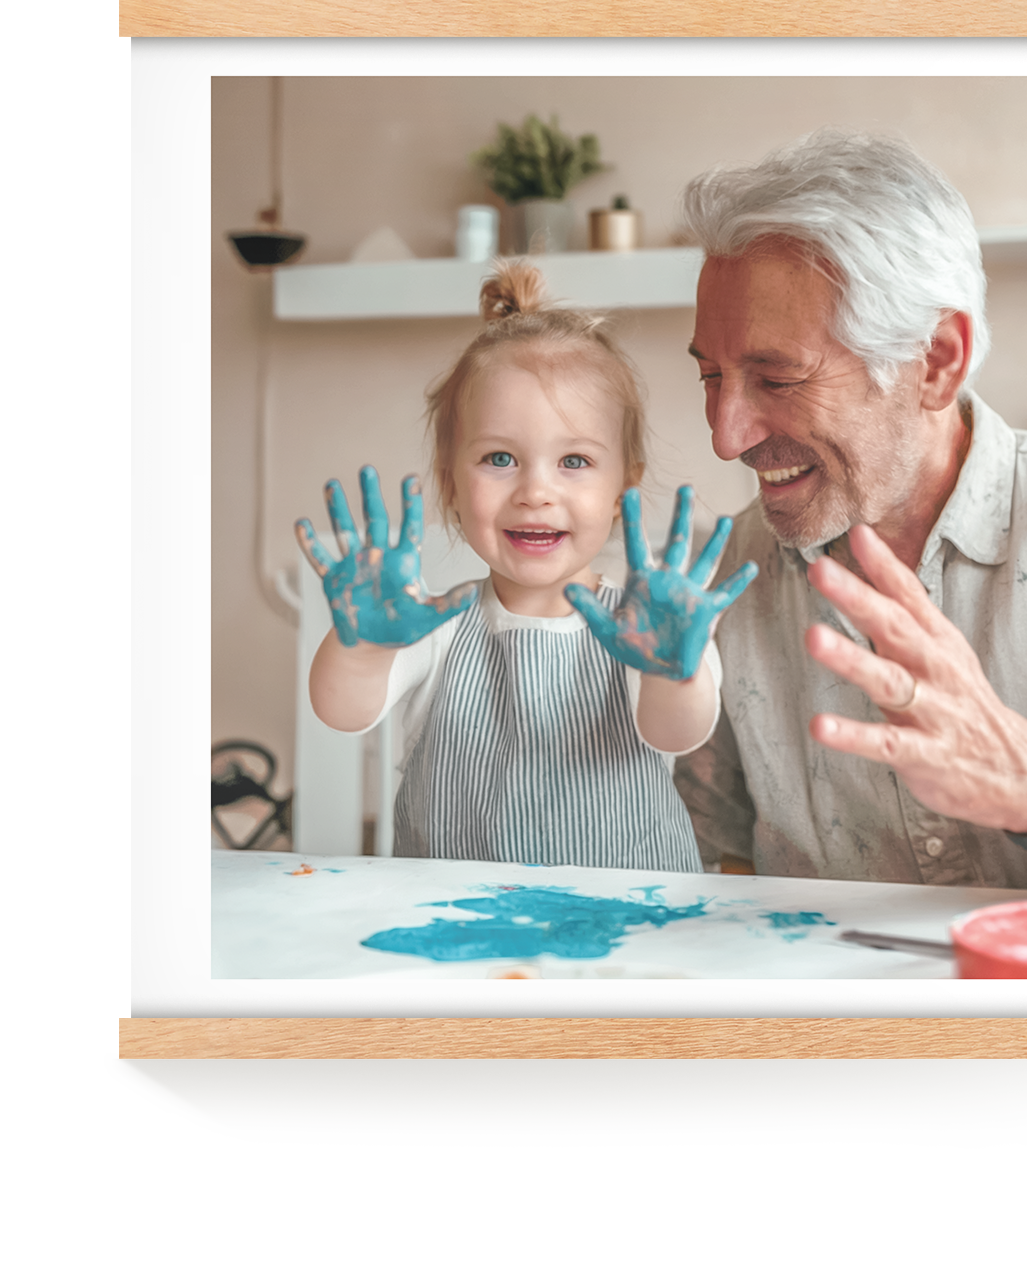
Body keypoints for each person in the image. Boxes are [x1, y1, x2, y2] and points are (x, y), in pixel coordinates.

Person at [672, 129, 1027, 900]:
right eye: (712, 376)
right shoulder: (727, 573)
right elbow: (706, 865)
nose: (726, 435)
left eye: (776, 379)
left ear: (936, 361)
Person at [296, 261, 756, 874]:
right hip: (453, 920)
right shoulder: (434, 628)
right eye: (500, 457)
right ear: (450, 483)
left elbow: (678, 734)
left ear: (626, 485)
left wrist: (675, 673)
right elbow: (340, 710)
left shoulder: (649, 627)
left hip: (628, 923)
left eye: (574, 462)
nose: (535, 491)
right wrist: (362, 651)